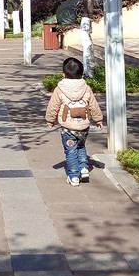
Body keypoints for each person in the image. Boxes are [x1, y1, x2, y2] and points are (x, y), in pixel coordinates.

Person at [45, 57, 104, 186]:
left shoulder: (59, 89)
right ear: (81, 74)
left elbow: (53, 106)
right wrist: (98, 119)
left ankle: (73, 176)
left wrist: (50, 120)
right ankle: (84, 168)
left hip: (68, 128)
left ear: (63, 74)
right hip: (84, 126)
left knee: (70, 151)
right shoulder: (86, 88)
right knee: (81, 146)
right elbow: (93, 105)